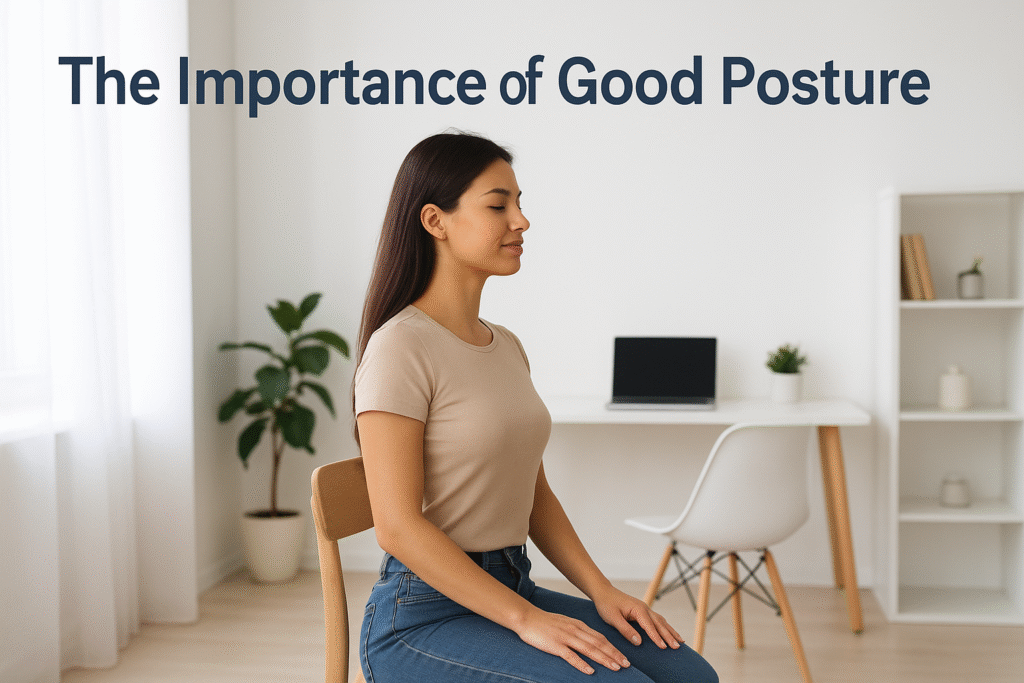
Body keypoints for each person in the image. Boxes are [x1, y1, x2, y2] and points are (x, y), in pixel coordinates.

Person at [353, 131, 718, 683]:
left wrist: (602, 592)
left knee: (689, 676)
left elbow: (535, 496)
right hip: (421, 616)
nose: (521, 221)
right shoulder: (400, 346)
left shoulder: (506, 345)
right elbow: (398, 528)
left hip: (511, 584)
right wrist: (526, 619)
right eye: (498, 205)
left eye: (519, 204)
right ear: (435, 221)